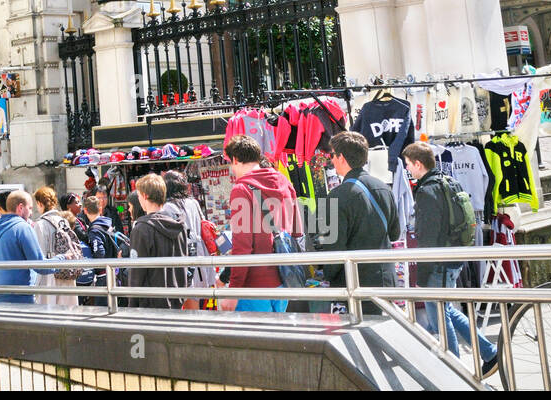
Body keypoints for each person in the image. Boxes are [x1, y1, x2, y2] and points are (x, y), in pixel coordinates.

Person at [402, 142, 499, 377]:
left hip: (439, 264)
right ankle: (490, 353)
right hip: (454, 258)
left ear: (418, 164)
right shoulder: (448, 181)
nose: (407, 171)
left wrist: (422, 275)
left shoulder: (427, 190)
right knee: (447, 310)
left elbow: (428, 237)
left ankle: (453, 371)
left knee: (440, 319)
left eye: (408, 165)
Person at [317, 131, 400, 316]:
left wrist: (327, 276)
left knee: (361, 339)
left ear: (341, 158)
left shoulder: (334, 196)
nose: (331, 160)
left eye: (332, 155)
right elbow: (395, 234)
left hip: (355, 285)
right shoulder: (384, 187)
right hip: (386, 278)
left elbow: (332, 248)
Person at [215, 135, 300, 313]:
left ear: (236, 160)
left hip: (254, 285)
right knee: (279, 337)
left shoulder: (242, 189)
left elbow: (243, 246)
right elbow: (297, 230)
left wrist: (234, 290)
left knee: (255, 340)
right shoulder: (283, 181)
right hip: (285, 279)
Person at [124, 174, 188, 310]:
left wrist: (132, 305)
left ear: (145, 195)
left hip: (150, 304)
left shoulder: (141, 229)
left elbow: (136, 273)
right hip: (176, 299)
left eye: (139, 195)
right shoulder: (179, 225)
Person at [0, 189, 53, 304]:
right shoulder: (23, 227)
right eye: (30, 208)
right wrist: (63, 259)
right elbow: (40, 265)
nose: (31, 213)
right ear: (20, 207)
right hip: (21, 294)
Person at [161, 169, 208, 303]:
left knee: (187, 299)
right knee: (200, 299)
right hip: (200, 253)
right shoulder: (193, 203)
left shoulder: (167, 207)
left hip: (183, 256)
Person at [33, 187, 80, 306]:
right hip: (67, 272)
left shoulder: (40, 224)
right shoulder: (63, 221)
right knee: (67, 315)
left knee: (50, 317)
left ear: (39, 203)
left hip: (50, 276)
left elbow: (40, 257)